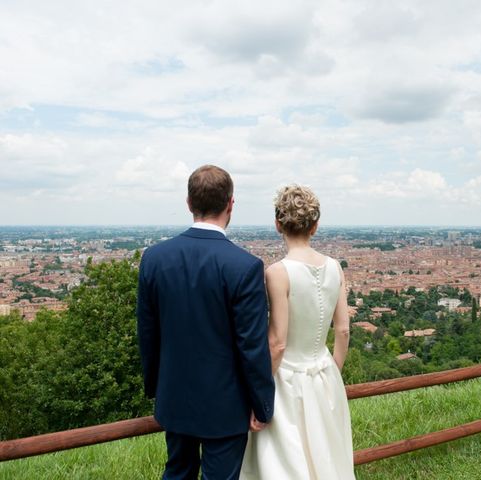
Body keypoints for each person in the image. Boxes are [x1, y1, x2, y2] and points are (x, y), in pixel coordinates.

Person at [137, 165, 275, 480]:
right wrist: (262, 403)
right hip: (226, 404)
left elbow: (148, 333)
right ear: (230, 204)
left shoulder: (155, 258)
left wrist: (155, 387)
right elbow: (251, 346)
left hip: (174, 394)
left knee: (177, 472)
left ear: (189, 203)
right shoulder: (245, 266)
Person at [240, 185, 355, 479]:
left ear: (278, 223)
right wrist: (332, 372)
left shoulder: (277, 272)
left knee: (285, 464)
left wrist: (260, 396)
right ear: (315, 226)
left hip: (286, 379)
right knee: (328, 456)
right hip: (325, 374)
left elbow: (277, 343)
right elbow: (342, 330)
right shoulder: (335, 267)